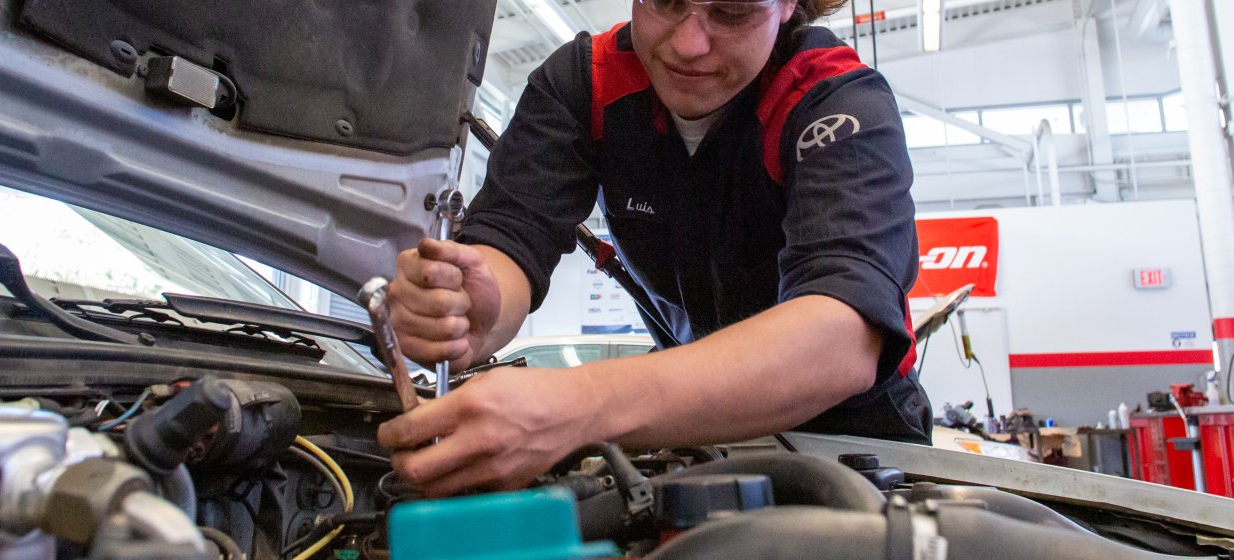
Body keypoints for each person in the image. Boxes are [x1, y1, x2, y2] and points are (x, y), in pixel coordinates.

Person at [377, 0, 925, 497]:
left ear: (788, 7)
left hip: (855, 441)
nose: (687, 45)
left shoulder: (835, 98)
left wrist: (581, 405)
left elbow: (842, 341)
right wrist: (473, 306)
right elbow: (511, 239)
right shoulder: (585, 83)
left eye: (731, 13)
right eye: (664, 1)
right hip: (688, 422)